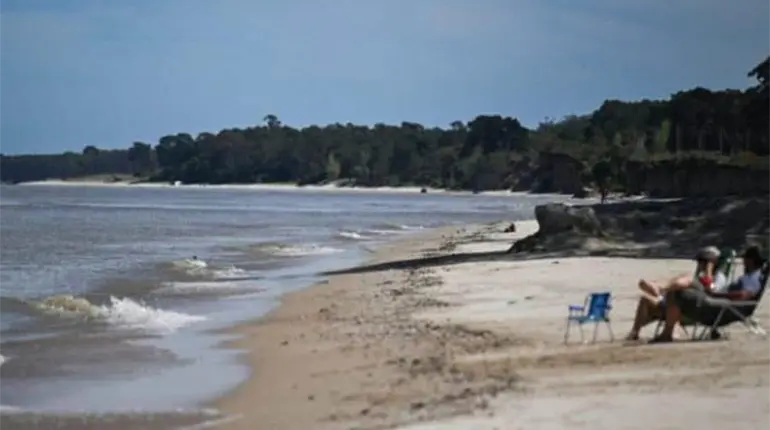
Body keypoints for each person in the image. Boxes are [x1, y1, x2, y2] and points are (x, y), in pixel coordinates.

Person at [653, 245, 766, 343]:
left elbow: (743, 296)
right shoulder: (751, 276)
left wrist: (716, 294)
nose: (743, 262)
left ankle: (667, 332)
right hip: (719, 302)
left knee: (678, 293)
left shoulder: (754, 278)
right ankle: (661, 287)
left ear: (751, 260)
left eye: (745, 259)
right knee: (687, 282)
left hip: (721, 306)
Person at [625, 246, 726, 341]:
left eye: (704, 261)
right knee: (645, 299)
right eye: (699, 261)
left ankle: (660, 288)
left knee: (687, 279)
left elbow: (712, 291)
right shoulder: (699, 276)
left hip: (697, 307)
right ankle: (635, 333)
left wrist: (708, 272)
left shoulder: (719, 277)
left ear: (714, 263)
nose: (700, 264)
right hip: (676, 304)